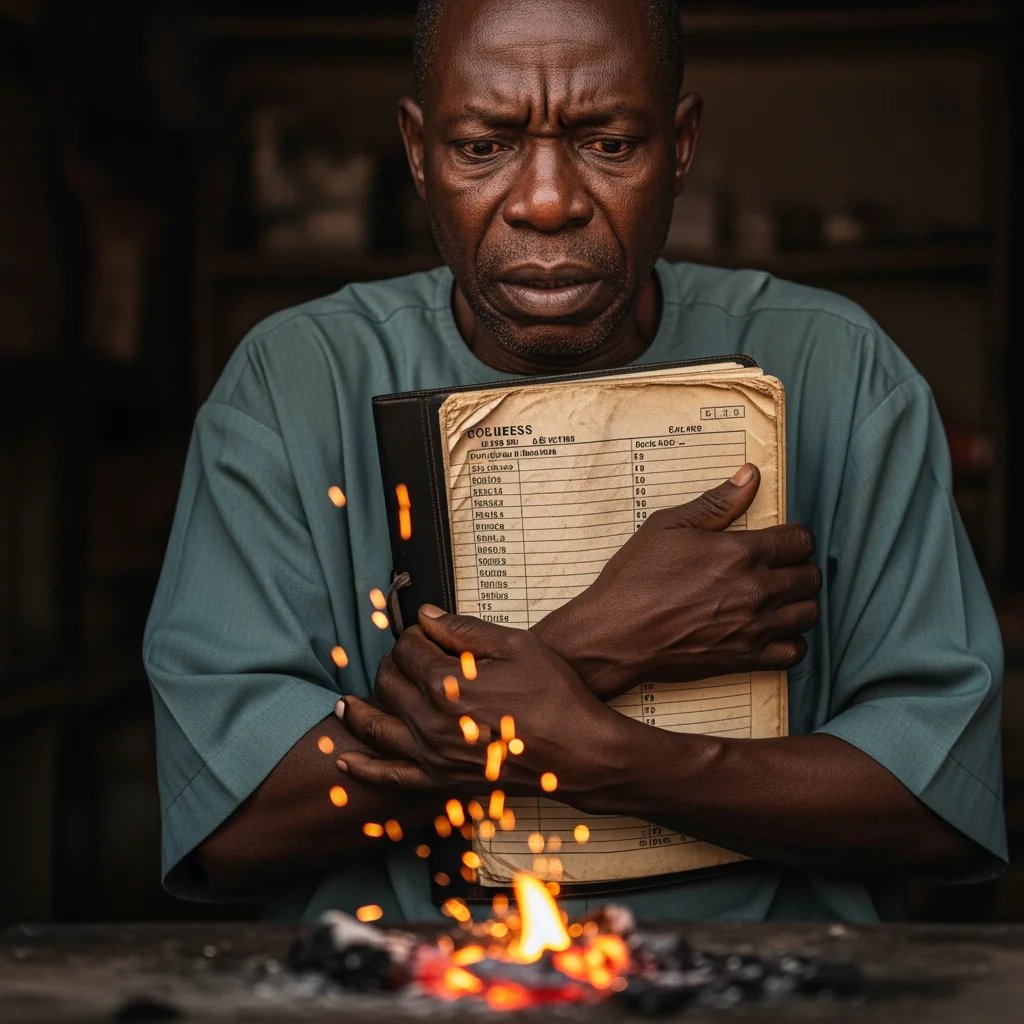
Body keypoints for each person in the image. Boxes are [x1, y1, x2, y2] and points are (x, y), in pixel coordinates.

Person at [144, 0, 1005, 923]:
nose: (547, 201)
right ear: (416, 146)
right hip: (403, 990)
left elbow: (939, 808)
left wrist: (615, 759)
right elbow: (233, 828)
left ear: (680, 145)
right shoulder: (295, 384)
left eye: (609, 143)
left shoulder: (837, 370)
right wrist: (600, 641)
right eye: (484, 145)